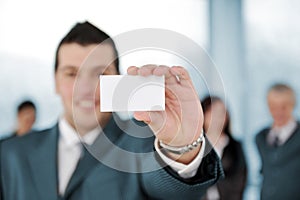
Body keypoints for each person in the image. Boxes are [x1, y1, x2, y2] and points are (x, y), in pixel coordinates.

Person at [0, 21, 223, 200]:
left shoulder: (144, 142)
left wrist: (180, 145)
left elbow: (174, 189)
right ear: (55, 82)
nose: (85, 88)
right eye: (71, 74)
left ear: (117, 79)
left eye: (100, 74)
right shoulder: (10, 154)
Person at [256, 83, 300, 200]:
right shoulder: (260, 137)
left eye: (284, 106)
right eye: (273, 106)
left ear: (293, 105)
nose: (278, 112)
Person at [201, 96, 247, 200]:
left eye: (222, 113)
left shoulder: (235, 146)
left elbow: (241, 178)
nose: (217, 118)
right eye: (213, 112)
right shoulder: (194, 146)